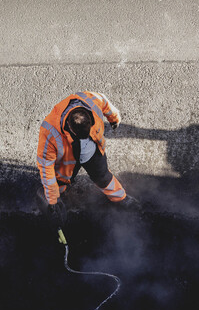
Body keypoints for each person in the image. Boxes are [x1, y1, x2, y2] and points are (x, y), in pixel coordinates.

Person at [36, 91, 138, 227]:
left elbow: (105, 102)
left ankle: (121, 198)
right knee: (59, 181)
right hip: (68, 161)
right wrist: (52, 201)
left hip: (93, 153)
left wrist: (114, 118)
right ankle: (59, 198)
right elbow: (46, 167)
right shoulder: (49, 130)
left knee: (103, 177)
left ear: (90, 119)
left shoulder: (91, 101)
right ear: (70, 128)